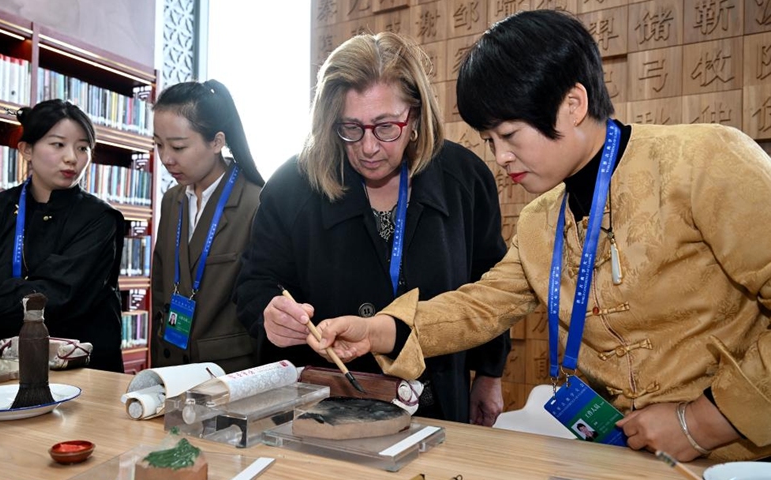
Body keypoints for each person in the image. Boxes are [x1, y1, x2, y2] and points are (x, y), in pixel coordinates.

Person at [309, 10, 771, 462]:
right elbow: (480, 306)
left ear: (572, 104)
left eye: (510, 134)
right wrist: (378, 330)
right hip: (626, 456)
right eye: (491, 141)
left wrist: (704, 421)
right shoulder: (540, 221)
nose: (502, 157)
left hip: (740, 456)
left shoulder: (704, 163)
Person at [234, 31, 511, 426]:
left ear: (414, 116)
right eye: (351, 128)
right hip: (322, 408)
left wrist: (490, 374)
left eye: (385, 127)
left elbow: (491, 286)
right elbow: (254, 282)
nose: (368, 147)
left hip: (434, 402)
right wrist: (269, 315)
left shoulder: (463, 178)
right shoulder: (293, 185)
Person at [0, 99, 125, 372]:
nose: (72, 158)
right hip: (3, 366)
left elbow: (56, 294)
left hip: (80, 368)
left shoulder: (100, 218)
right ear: (26, 149)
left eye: (83, 147)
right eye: (58, 144)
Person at [151, 79, 263, 373]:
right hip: (171, 360)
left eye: (178, 146)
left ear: (217, 141)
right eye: (159, 145)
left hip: (228, 371)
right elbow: (161, 288)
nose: (166, 158)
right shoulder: (172, 200)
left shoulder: (256, 202)